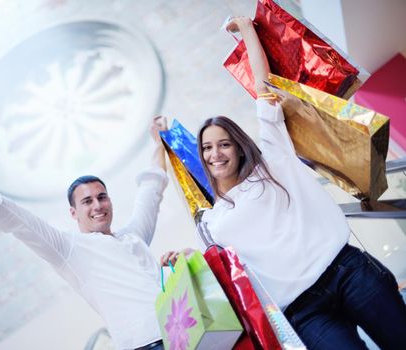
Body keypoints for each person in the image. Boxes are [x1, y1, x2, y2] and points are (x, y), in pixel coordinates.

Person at [162, 17, 406, 350]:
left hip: (347, 270)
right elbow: (221, 266)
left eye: (223, 143)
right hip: (305, 312)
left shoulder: (272, 163)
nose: (215, 153)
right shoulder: (213, 220)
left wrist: (247, 31)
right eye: (207, 147)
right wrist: (185, 256)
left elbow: (264, 91)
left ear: (238, 145)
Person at [0, 116, 169, 350]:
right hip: (146, 343)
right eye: (87, 201)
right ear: (74, 213)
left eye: (102, 198)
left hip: (184, 328)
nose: (97, 206)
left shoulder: (134, 236)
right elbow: (11, 214)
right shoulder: (70, 249)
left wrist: (159, 143)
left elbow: (152, 189)